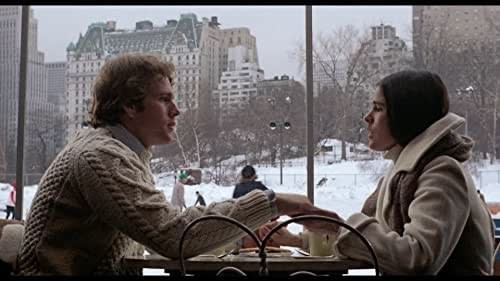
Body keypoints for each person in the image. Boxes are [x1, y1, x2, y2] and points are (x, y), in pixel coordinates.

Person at [16, 53, 323, 275]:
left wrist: (239, 234)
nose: (177, 110)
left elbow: (155, 234)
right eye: (164, 100)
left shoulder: (120, 152)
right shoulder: (100, 157)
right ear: (129, 106)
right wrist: (273, 202)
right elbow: (172, 235)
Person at [261, 70, 495, 275]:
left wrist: (337, 227)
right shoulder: (403, 171)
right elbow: (372, 243)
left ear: (406, 115)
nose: (367, 117)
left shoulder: (442, 172)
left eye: (378, 108)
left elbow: (418, 259)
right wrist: (297, 241)